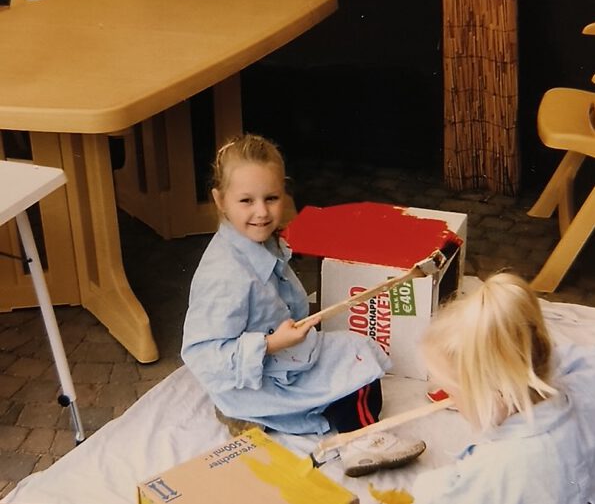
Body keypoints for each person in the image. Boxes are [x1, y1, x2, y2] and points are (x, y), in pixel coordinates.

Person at [181, 133, 425, 476]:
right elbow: (201, 354)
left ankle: (273, 415)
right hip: (261, 376)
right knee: (359, 363)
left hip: (281, 361)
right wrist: (270, 344)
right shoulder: (225, 275)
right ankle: (358, 441)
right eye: (246, 201)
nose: (262, 212)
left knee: (360, 364)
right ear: (220, 200)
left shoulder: (259, 242)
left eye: (272, 198)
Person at [411, 272, 595, 504]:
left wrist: (424, 486)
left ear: (492, 394)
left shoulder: (499, 467)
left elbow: (442, 497)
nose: (450, 400)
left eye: (453, 392)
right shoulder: (582, 381)